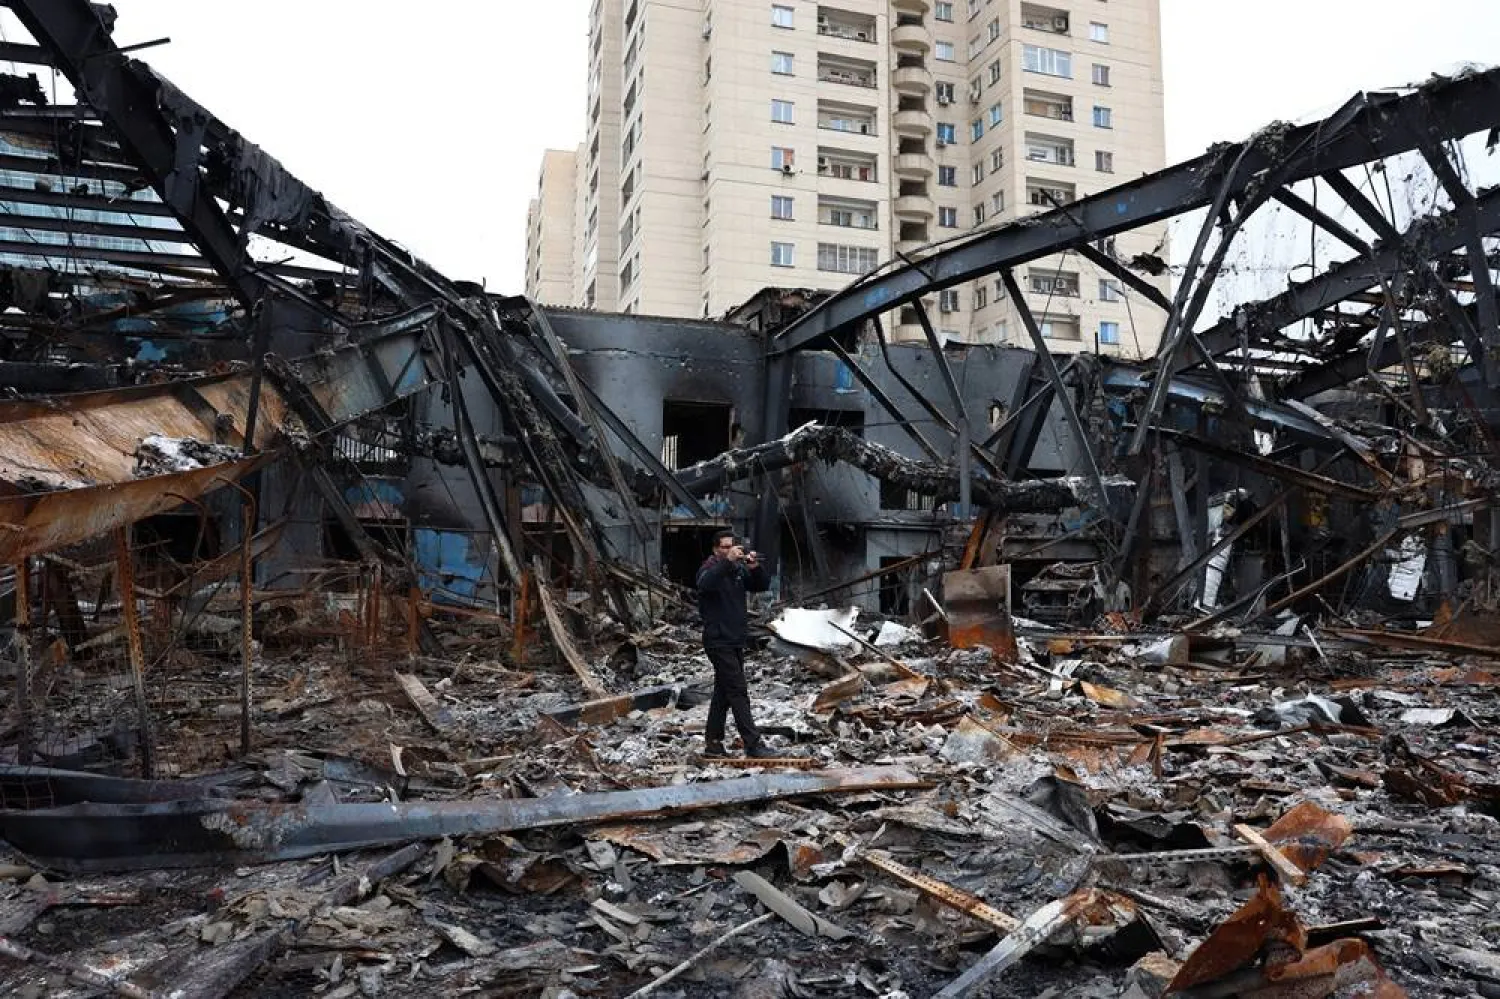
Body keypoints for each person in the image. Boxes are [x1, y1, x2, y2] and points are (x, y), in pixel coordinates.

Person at [696, 529, 775, 759]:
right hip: (718, 640)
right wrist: (727, 562)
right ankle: (753, 744)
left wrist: (753, 567)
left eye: (732, 546)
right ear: (715, 549)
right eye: (724, 547)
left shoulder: (737, 571)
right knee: (738, 691)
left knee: (723, 693)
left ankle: (713, 744)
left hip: (735, 639)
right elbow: (705, 584)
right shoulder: (710, 569)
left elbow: (761, 585)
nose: (730, 550)